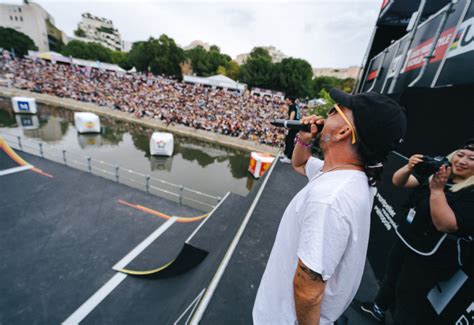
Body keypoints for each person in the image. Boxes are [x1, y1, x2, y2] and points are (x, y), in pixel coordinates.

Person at [253, 89, 407, 325]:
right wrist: (304, 139)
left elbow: (308, 292)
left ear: (344, 131)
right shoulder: (349, 177)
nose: (324, 115)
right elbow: (301, 163)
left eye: (334, 111)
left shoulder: (329, 199)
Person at [360, 139, 474, 324]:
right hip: (408, 238)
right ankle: (378, 308)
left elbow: (447, 224)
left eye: (471, 159)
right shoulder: (439, 172)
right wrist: (408, 167)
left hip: (432, 255)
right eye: (460, 155)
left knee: (408, 297)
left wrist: (437, 191)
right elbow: (399, 181)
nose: (462, 161)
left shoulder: (469, 192)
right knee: (391, 276)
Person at [280, 97, 301, 163]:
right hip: (296, 124)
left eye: (287, 100)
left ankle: (289, 157)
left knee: (290, 141)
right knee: (288, 139)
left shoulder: (292, 106)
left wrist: (289, 124)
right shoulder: (296, 106)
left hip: (293, 125)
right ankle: (286, 154)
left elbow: (293, 114)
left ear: (290, 100)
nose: (286, 101)